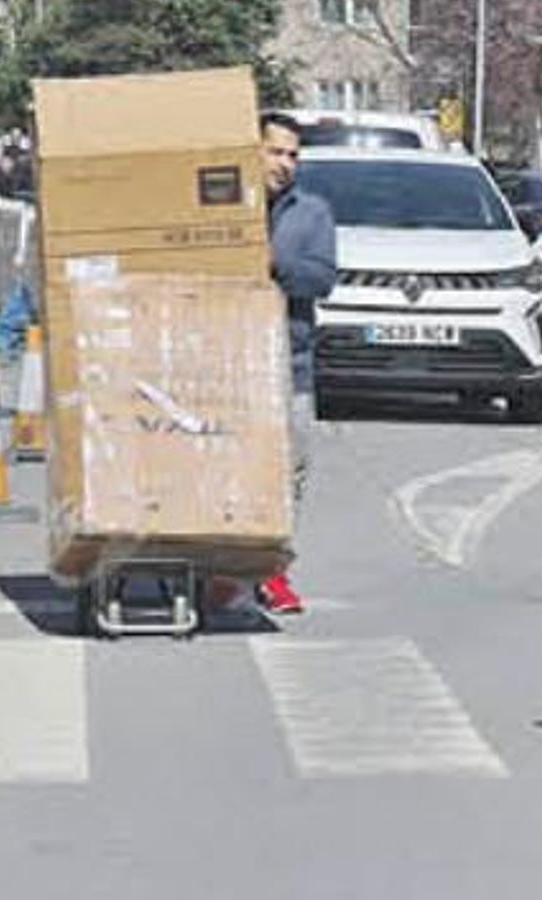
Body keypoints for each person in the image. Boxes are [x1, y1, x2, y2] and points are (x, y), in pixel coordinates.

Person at [255, 111, 337, 615]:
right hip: (226, 365)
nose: (285, 163)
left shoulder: (311, 213)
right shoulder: (223, 206)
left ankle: (274, 572)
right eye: (276, 151)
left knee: (291, 470)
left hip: (291, 361)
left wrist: (274, 262)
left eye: (293, 155)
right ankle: (220, 564)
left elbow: (322, 277)